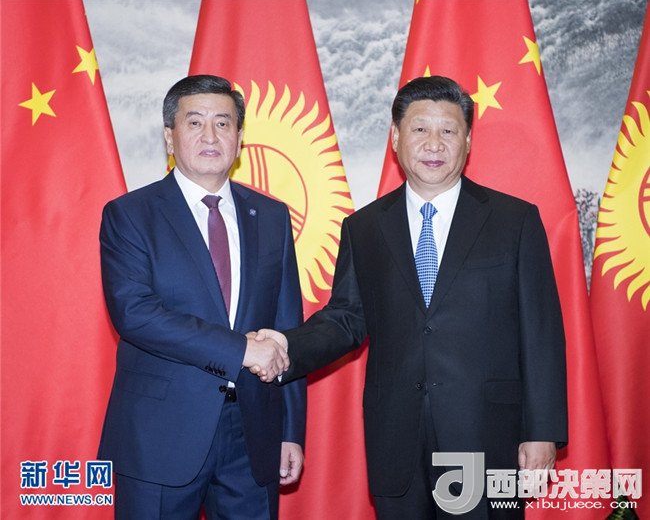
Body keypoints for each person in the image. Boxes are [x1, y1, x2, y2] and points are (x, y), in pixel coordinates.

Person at [253, 76, 567, 519]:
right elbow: (346, 318)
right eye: (420, 129)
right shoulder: (364, 228)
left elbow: (541, 332)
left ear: (468, 141)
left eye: (448, 130)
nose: (433, 143)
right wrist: (287, 345)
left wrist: (542, 430)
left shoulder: (513, 221)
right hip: (396, 435)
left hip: (484, 433)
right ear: (396, 137)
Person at [98, 74, 305, 520]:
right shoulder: (130, 215)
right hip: (161, 435)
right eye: (195, 123)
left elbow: (286, 326)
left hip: (253, 434)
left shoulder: (271, 216)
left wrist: (289, 430)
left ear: (239, 138)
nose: (210, 136)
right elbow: (136, 314)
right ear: (169, 137)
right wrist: (241, 350)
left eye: (223, 123)